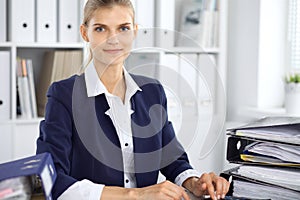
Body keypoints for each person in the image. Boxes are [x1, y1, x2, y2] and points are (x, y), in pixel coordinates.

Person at [36, 0, 230, 199]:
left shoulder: (152, 91)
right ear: (85, 33)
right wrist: (135, 195)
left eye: (123, 28)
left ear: (134, 32)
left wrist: (195, 183)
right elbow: (53, 179)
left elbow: (171, 157)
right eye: (101, 28)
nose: (113, 39)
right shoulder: (64, 95)